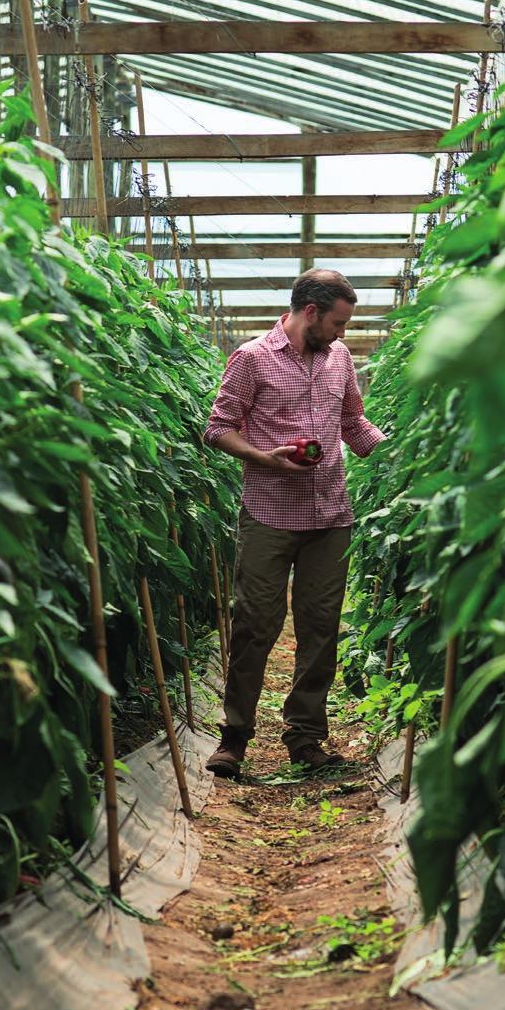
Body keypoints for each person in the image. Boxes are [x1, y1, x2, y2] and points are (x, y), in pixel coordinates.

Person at [203, 268, 386, 780]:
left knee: (320, 627)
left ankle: (305, 737)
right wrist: (265, 457)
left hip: (330, 513)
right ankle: (234, 738)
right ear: (311, 313)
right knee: (255, 624)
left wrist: (395, 454)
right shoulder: (252, 359)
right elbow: (217, 429)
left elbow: (352, 421)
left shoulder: (340, 359)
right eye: (339, 322)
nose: (344, 333)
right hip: (269, 512)